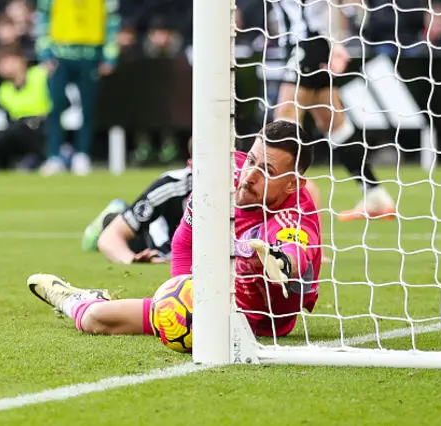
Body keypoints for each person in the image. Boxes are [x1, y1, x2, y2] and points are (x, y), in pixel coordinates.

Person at [26, 121, 322, 339]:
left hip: (264, 322)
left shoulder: (297, 215)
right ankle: (74, 298)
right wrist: (183, 296)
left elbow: (294, 250)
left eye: (267, 171)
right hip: (212, 301)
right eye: (252, 161)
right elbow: (183, 242)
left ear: (292, 184)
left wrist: (280, 261)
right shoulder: (222, 176)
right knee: (95, 318)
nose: (250, 176)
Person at [273, 0, 395, 220]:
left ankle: (290, 207)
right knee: (334, 124)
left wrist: (338, 41)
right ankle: (375, 194)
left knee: (283, 126)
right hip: (308, 45)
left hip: (306, 44)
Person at [35, 0, 120, 176]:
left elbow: (112, 21)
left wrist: (110, 56)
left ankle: (82, 154)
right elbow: (42, 18)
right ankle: (54, 156)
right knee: (55, 107)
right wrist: (44, 54)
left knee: (87, 109)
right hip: (59, 55)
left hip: (90, 55)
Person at [81, 140, 192, 264]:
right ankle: (111, 216)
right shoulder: (171, 187)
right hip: (152, 244)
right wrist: (131, 258)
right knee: (122, 228)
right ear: (190, 165)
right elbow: (108, 238)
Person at [0, 43, 51, 170]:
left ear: (21, 60)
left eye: (8, 61)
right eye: (1, 63)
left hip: (43, 123)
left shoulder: (40, 75)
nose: (4, 67)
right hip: (19, 128)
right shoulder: (3, 91)